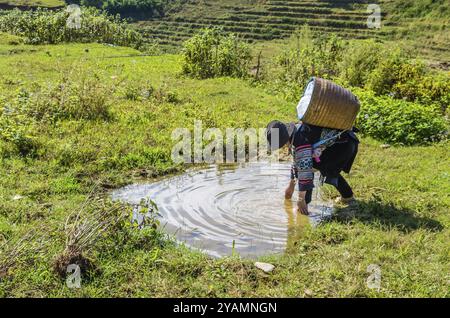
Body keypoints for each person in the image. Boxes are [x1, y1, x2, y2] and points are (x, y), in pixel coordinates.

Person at [266, 121, 359, 215]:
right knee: (323, 168)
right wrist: (291, 186)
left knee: (327, 169)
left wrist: (301, 200)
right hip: (344, 141)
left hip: (343, 145)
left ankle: (347, 199)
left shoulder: (300, 141)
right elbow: (297, 162)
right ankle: (348, 196)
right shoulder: (296, 131)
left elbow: (305, 171)